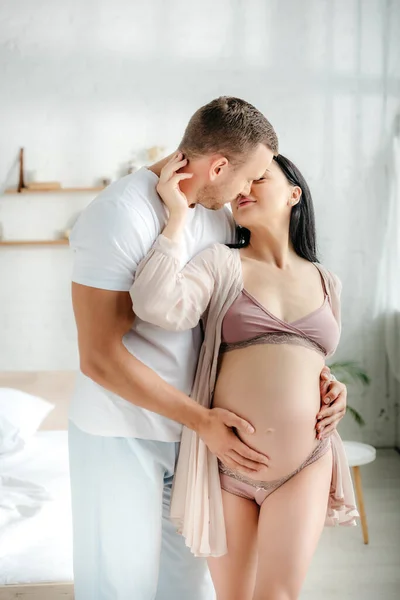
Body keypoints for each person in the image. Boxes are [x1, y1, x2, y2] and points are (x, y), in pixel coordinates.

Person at [69, 97, 348, 600]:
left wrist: (323, 382)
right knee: (120, 586)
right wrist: (203, 421)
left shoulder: (223, 220)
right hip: (124, 430)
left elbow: (259, 339)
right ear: (219, 167)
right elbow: (100, 358)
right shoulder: (118, 214)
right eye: (251, 176)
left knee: (187, 590)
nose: (248, 190)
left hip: (200, 442)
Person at [130, 152, 359, 600]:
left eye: (259, 179)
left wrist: (336, 389)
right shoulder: (221, 263)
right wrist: (176, 218)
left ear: (294, 194)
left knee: (278, 595)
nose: (243, 190)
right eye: (240, 184)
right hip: (227, 463)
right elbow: (154, 304)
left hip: (306, 462)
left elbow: (312, 359)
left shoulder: (327, 282)